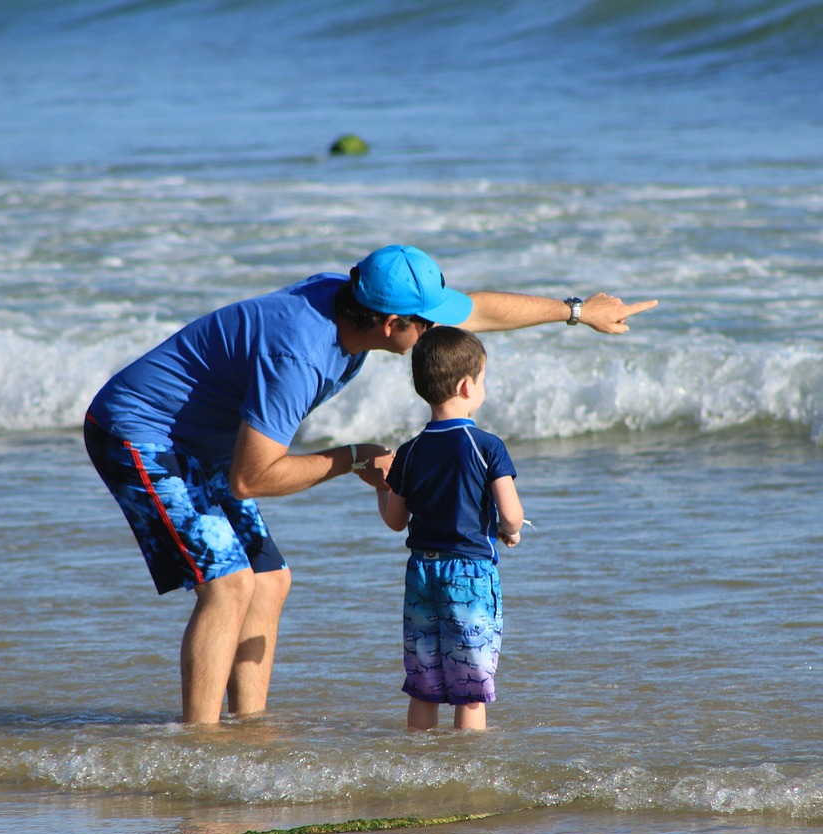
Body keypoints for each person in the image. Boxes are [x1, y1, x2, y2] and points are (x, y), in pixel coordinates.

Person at [84, 244, 657, 725]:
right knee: (229, 585)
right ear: (391, 325)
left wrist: (576, 312)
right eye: (425, 323)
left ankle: (248, 731)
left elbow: (478, 309)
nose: (436, 331)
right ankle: (202, 744)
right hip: (137, 433)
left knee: (271, 580)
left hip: (204, 439)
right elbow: (252, 477)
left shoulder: (353, 299)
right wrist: (353, 457)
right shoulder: (299, 355)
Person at [376, 326, 522, 731]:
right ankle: (466, 767)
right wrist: (509, 530)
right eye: (483, 380)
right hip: (469, 575)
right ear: (466, 387)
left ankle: (418, 759)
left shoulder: (410, 451)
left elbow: (395, 520)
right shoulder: (487, 446)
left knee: (424, 684)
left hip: (422, 573)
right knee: (469, 689)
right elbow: (511, 515)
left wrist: (381, 485)